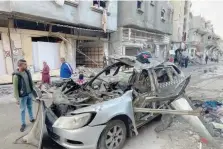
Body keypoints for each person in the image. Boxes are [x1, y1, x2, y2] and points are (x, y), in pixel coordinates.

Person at [13, 59, 35, 132]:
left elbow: (31, 82)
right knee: (22, 110)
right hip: (23, 96)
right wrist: (17, 98)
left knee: (30, 107)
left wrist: (35, 89)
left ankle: (31, 118)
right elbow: (15, 88)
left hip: (29, 94)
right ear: (20, 65)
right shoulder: (16, 76)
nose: (26, 65)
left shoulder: (27, 72)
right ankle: (23, 124)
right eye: (25, 64)